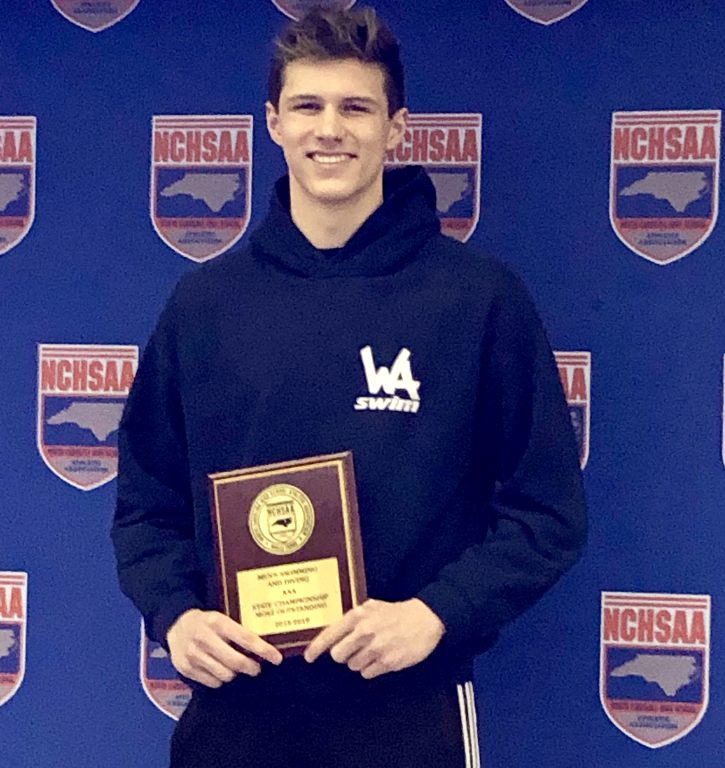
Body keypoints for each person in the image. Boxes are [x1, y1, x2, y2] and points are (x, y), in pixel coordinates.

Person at [111, 7, 587, 767]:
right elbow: (146, 507)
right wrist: (177, 617)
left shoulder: (475, 299)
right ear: (273, 122)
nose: (329, 129)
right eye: (307, 105)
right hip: (236, 713)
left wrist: (435, 615)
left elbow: (548, 512)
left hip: (405, 710)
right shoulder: (204, 304)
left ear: (397, 128)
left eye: (356, 108)